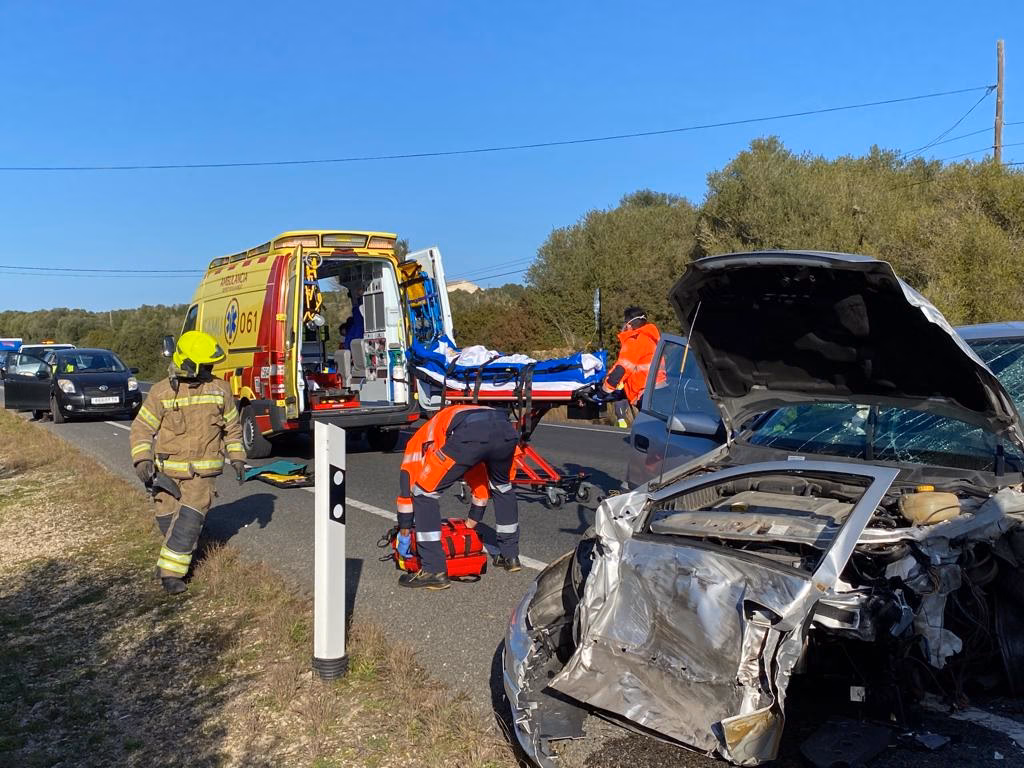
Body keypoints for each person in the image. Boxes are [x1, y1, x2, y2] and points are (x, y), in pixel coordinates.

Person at [129, 330, 246, 595]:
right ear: (189, 364)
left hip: (202, 473)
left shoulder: (220, 390)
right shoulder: (161, 392)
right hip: (166, 473)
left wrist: (238, 458)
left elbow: (232, 428)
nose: (210, 370)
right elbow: (142, 428)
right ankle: (171, 559)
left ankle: (170, 575)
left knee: (188, 520)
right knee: (167, 519)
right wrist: (142, 460)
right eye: (205, 366)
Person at [395, 404, 521, 590]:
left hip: (470, 433)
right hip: (505, 429)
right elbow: (479, 486)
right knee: (502, 487)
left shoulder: (417, 442)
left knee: (423, 493)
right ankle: (510, 557)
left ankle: (433, 570)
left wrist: (405, 530)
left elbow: (408, 487)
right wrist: (471, 523)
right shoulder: (451, 421)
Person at [603, 305, 661, 428]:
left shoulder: (635, 340)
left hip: (645, 392)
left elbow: (622, 368)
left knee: (648, 431)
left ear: (630, 324)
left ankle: (622, 421)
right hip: (658, 389)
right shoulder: (653, 338)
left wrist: (605, 389)